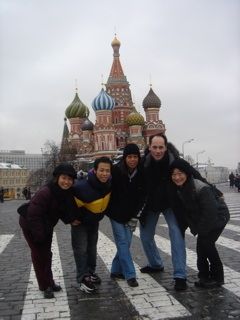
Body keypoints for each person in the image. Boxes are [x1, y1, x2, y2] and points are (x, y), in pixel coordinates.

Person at [19, 163, 77, 299]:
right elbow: (33, 214)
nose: (67, 182)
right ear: (57, 178)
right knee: (39, 255)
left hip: (46, 224)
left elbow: (62, 210)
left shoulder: (64, 192)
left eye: (70, 179)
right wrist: (39, 236)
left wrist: (71, 220)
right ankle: (44, 286)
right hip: (30, 224)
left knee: (47, 254)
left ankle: (49, 281)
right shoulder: (46, 192)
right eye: (64, 178)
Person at [169, 158, 230, 288]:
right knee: (201, 248)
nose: (177, 177)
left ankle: (218, 278)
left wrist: (201, 231)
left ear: (186, 173)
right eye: (174, 174)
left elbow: (210, 212)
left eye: (180, 173)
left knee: (206, 244)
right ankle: (204, 277)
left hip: (219, 216)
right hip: (204, 219)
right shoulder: (180, 189)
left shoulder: (200, 188)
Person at [139, 133, 188, 291]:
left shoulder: (175, 161)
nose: (158, 151)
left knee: (176, 232)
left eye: (161, 147)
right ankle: (156, 264)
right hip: (151, 205)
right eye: (155, 147)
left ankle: (180, 275)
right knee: (146, 237)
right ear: (149, 147)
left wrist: (213, 190)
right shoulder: (143, 162)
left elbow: (192, 173)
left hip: (171, 203)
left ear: (166, 148)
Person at [71, 157, 112, 294]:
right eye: (101, 170)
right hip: (80, 222)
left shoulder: (109, 182)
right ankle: (83, 278)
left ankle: (90, 273)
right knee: (81, 249)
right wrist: (70, 217)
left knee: (92, 248)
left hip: (94, 220)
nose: (104, 173)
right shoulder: (81, 187)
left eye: (107, 171)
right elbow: (66, 201)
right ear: (95, 170)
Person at [107, 143, 145, 287]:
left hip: (131, 216)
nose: (132, 160)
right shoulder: (116, 171)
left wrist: (136, 216)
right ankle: (130, 274)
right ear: (124, 158)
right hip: (115, 214)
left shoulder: (141, 172)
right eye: (129, 157)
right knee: (122, 242)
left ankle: (116, 270)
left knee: (127, 243)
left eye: (135, 156)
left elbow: (143, 196)